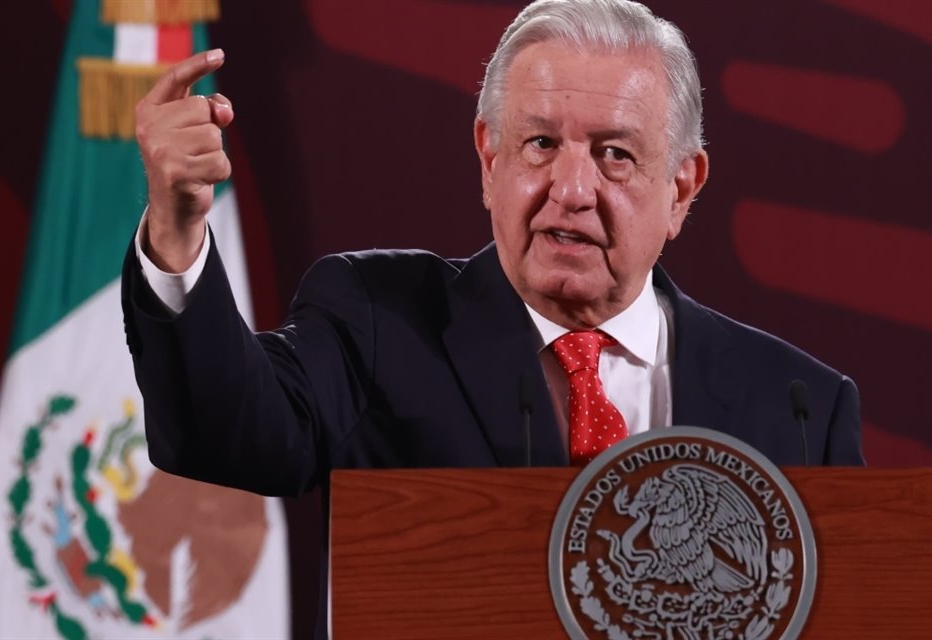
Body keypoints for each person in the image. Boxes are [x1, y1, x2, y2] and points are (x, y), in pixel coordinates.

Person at [123, 0, 863, 633]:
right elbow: (228, 431)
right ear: (489, 159)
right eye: (541, 144)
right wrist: (178, 231)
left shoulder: (799, 408)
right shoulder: (380, 322)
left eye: (613, 155)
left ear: (681, 187)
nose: (571, 189)